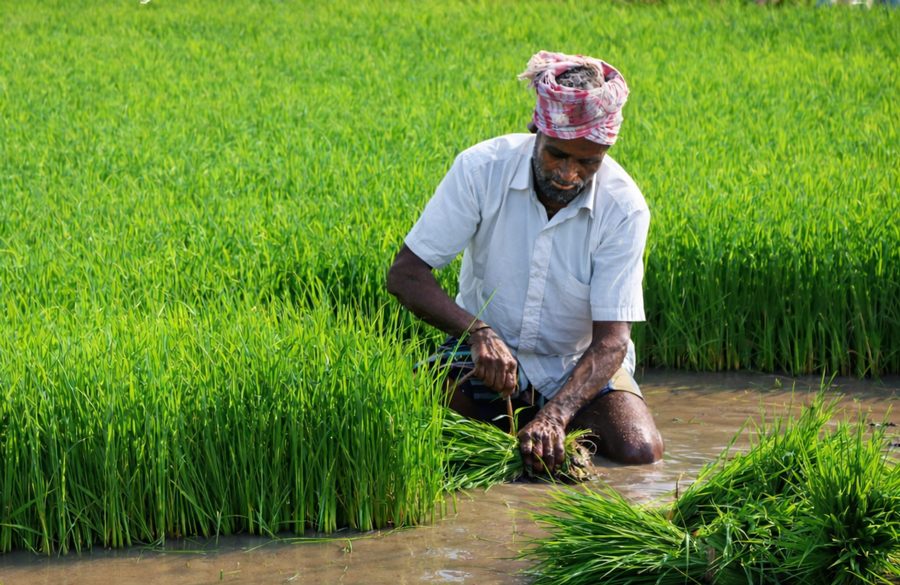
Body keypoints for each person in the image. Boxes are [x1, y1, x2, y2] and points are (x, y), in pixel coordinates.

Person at [387, 51, 664, 472]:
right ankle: (525, 435)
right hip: (486, 360)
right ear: (536, 129)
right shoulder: (480, 170)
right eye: (557, 155)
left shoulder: (624, 207)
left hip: (578, 367)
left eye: (588, 162)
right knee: (408, 422)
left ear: (606, 149)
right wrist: (478, 332)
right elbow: (406, 274)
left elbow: (612, 341)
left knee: (639, 452)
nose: (568, 175)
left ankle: (548, 431)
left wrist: (555, 415)